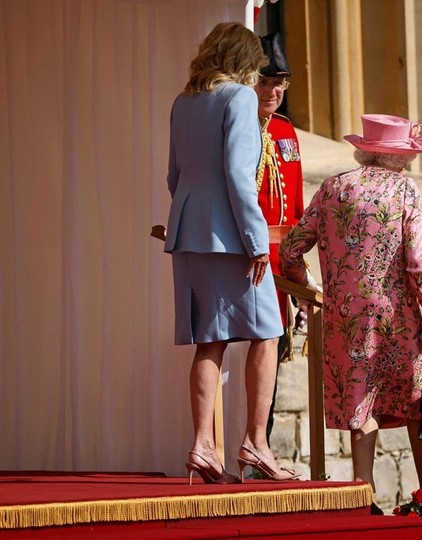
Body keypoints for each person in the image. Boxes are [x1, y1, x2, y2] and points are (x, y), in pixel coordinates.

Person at [279, 114, 422, 505]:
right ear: (396, 156)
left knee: (360, 398)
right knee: (416, 400)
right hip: (397, 315)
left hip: (345, 317)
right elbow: (419, 261)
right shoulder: (404, 189)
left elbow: (291, 248)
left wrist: (308, 285)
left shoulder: (333, 186)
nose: (411, 162)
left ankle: (362, 493)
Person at [164, 21, 299, 484]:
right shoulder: (239, 97)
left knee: (210, 340)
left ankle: (203, 445)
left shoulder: (184, 101)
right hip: (230, 238)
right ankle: (256, 443)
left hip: (189, 233)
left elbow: (174, 176)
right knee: (269, 333)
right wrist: (256, 243)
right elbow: (240, 177)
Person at [254, 32, 307, 444]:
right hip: (250, 260)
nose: (274, 91)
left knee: (272, 354)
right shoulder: (241, 128)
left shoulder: (286, 131)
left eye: (280, 83)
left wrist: (300, 267)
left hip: (281, 261)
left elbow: (298, 211)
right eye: (266, 82)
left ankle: (262, 443)